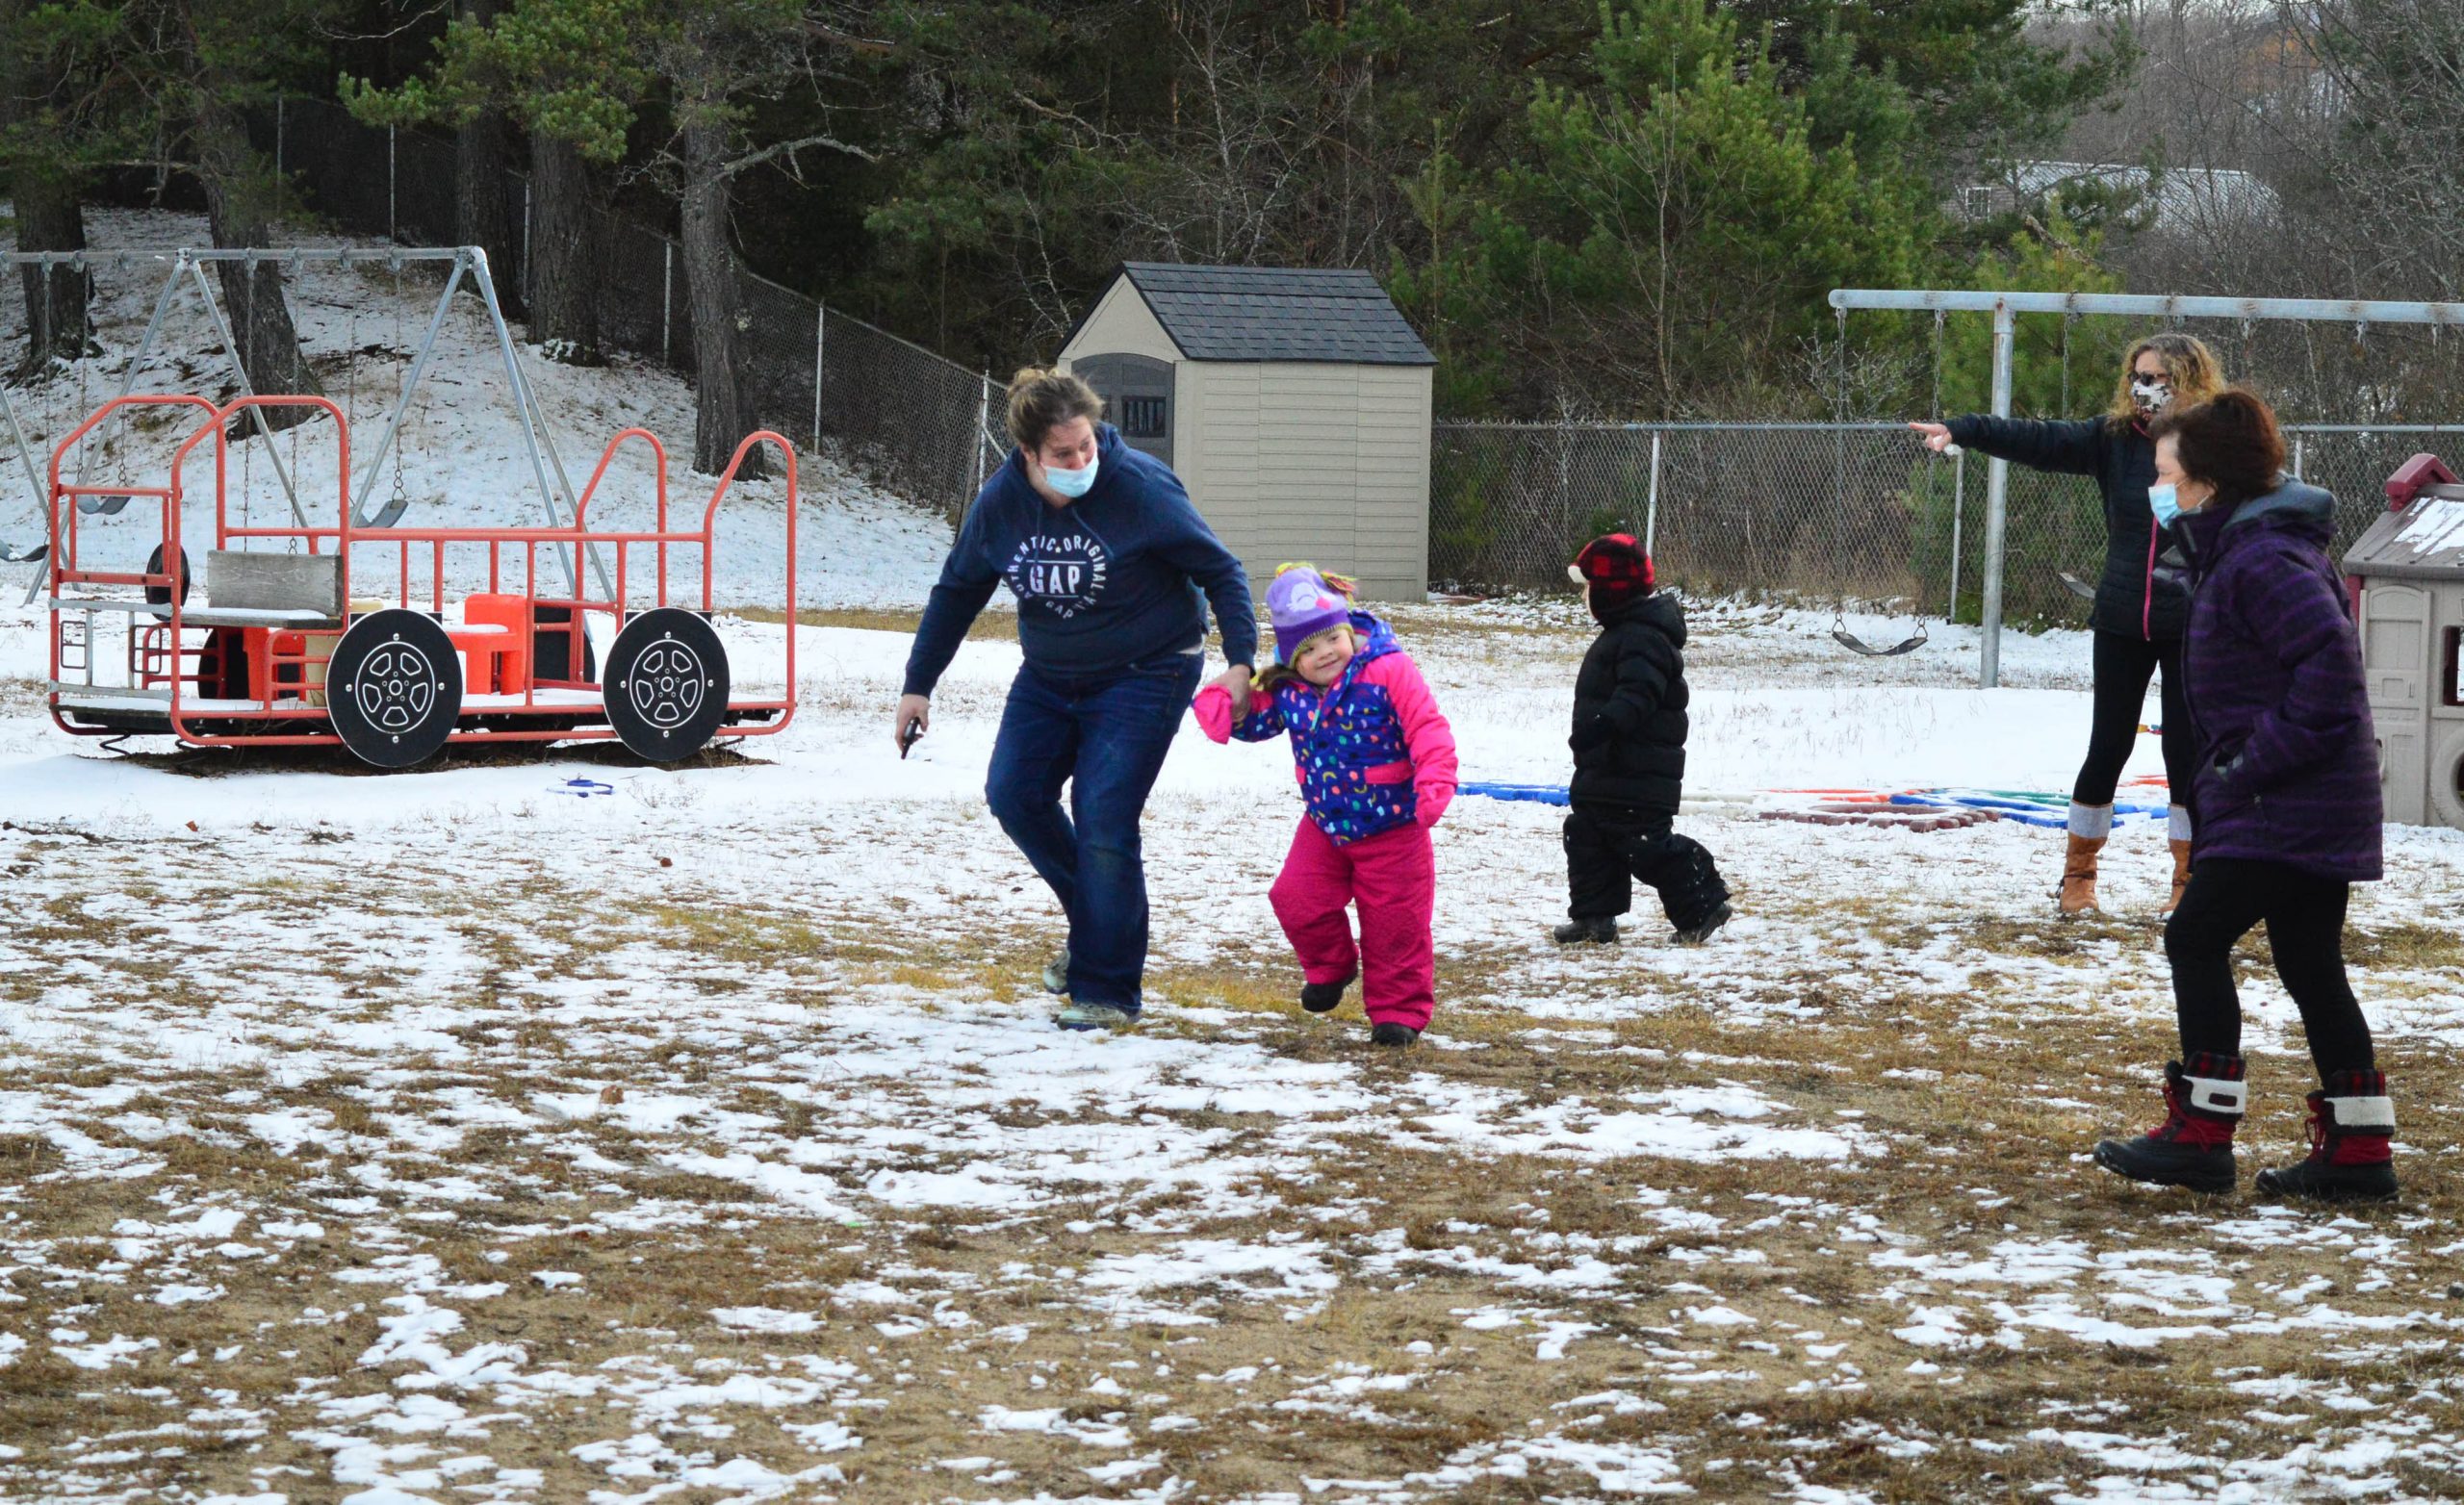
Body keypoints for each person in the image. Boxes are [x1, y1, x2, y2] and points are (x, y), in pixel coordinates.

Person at [2092, 388, 2395, 1203]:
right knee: (2308, 960)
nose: (2157, 487)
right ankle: (2360, 1151)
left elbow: (2330, 681)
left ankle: (2200, 1135)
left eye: (2165, 472)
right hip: (2305, 801)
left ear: (2207, 480)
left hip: (2285, 802)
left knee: (2194, 938)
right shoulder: (2243, 547)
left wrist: (2244, 770)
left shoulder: (2263, 557)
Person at [898, 367, 1257, 1032]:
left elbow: (1220, 569)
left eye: (1086, 445)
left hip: (1149, 669)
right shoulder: (1001, 504)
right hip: (1051, 675)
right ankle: (1098, 926)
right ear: (1030, 454)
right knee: (1014, 794)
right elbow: (957, 591)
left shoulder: (1140, 488)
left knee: (1103, 817)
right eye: (1063, 454)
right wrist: (918, 684)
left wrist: (1240, 663)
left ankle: (1107, 991)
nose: (1080, 461)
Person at [1912, 333, 2227, 917]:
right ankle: (2078, 876)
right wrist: (1963, 429)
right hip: (2121, 619)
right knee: (2107, 747)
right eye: (2138, 374)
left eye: (2156, 377)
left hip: (2194, 623)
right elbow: (2036, 439)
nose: (2143, 387)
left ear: (2186, 380)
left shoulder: (2218, 446)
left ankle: (2190, 880)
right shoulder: (2112, 440)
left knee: (2187, 754)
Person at [1193, 564, 1457, 1048]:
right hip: (1325, 826)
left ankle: (1397, 1013)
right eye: (1308, 650)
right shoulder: (1290, 689)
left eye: (1331, 638)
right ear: (1293, 658)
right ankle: (1331, 967)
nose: (1325, 655)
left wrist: (1435, 780)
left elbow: (1427, 728)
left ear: (1347, 628)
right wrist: (1222, 706)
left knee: (1395, 926)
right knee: (1295, 899)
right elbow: (1255, 719)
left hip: (1394, 827)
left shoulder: (1388, 669)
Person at [1553, 534, 1732, 947]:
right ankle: (1594, 918)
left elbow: (1639, 694)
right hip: (1608, 770)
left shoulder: (1643, 637)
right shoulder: (1624, 633)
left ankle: (1704, 903)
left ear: (1611, 592)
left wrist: (1604, 725)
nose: (1586, 598)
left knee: (1644, 845)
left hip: (1637, 773)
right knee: (1587, 836)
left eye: (1590, 589)